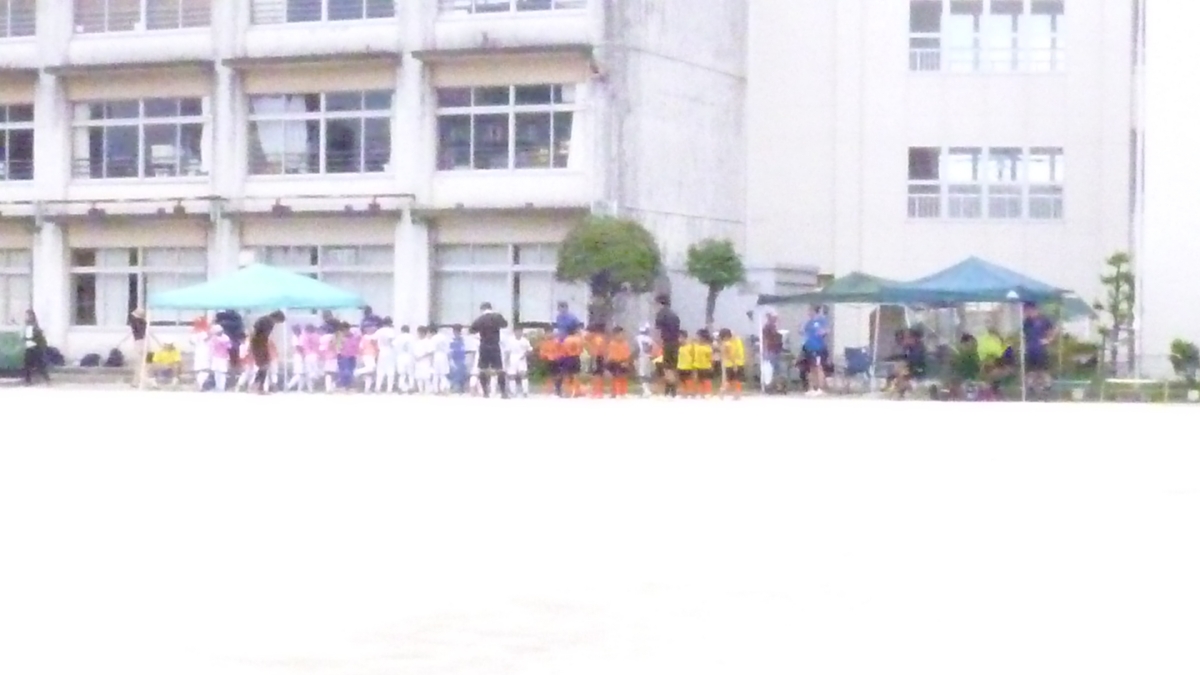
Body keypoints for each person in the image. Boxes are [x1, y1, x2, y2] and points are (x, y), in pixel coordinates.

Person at [469, 302, 509, 398]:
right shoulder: (497, 317)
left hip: (484, 345)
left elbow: (471, 330)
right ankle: (503, 392)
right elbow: (505, 324)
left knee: (483, 369)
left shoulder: (480, 319)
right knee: (499, 369)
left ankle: (485, 392)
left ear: (482, 309)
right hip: (495, 345)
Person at [1022, 302, 1057, 398]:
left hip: (1041, 350)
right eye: (1026, 311)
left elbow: (1053, 330)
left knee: (1042, 371)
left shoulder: (1043, 320)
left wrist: (1048, 340)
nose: (1028, 313)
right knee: (1030, 371)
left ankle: (1047, 388)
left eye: (1029, 310)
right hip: (1030, 350)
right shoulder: (1026, 322)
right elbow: (1024, 335)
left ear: (1034, 309)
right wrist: (1024, 345)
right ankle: (1031, 389)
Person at [250, 310, 285, 394]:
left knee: (264, 366)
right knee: (264, 365)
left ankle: (257, 386)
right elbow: (261, 334)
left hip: (258, 343)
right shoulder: (268, 321)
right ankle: (258, 387)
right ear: (277, 318)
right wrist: (262, 345)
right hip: (259, 344)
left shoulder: (263, 319)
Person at [654, 294, 682, 397]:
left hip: (667, 342)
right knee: (673, 366)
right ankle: (672, 390)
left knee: (667, 367)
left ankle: (670, 388)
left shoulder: (661, 314)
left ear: (659, 303)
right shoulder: (674, 315)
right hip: (675, 342)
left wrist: (658, 342)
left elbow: (658, 329)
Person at [800, 306, 830, 395]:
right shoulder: (809, 322)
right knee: (811, 368)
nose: (808, 313)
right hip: (809, 348)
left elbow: (827, 330)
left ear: (814, 311)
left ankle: (820, 388)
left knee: (818, 367)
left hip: (818, 348)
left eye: (810, 310)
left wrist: (823, 332)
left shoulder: (821, 320)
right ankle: (813, 387)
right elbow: (804, 332)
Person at [505, 326, 533, 397]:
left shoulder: (525, 340)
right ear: (514, 332)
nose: (519, 333)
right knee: (512, 375)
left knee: (523, 374)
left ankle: (525, 392)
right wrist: (507, 361)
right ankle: (513, 392)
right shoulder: (510, 340)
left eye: (520, 331)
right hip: (512, 358)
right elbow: (507, 351)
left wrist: (525, 355)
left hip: (521, 358)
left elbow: (529, 350)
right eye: (517, 331)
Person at [22, 309, 48, 386]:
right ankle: (28, 380)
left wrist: (40, 346)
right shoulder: (27, 326)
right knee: (27, 365)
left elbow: (38, 338)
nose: (26, 317)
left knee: (39, 365)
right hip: (29, 347)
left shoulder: (35, 327)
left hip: (35, 348)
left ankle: (46, 379)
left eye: (27, 316)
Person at [605, 327, 632, 398]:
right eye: (619, 334)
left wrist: (626, 362)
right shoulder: (612, 344)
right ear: (615, 335)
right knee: (616, 378)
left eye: (622, 334)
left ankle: (623, 392)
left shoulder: (625, 343)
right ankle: (616, 392)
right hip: (615, 362)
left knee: (623, 377)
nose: (621, 336)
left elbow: (627, 354)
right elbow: (612, 355)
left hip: (624, 362)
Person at [719, 328, 746, 399]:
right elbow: (730, 355)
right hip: (734, 363)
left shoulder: (733, 341)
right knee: (736, 380)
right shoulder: (730, 342)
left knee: (732, 380)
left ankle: (733, 393)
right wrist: (734, 364)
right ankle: (730, 392)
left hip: (734, 363)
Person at [761, 312, 784, 393]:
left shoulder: (772, 326)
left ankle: (777, 386)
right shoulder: (768, 327)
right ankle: (771, 386)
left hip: (775, 349)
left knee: (776, 368)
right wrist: (765, 350)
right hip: (771, 350)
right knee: (771, 369)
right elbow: (766, 339)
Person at [585, 324, 608, 398]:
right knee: (597, 375)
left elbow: (597, 350)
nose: (587, 333)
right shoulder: (597, 338)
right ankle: (598, 392)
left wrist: (594, 360)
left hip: (597, 358)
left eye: (588, 332)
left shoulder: (597, 339)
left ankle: (597, 392)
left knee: (597, 376)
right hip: (598, 357)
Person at [538, 330, 564, 396]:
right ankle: (555, 388)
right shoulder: (544, 343)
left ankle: (558, 388)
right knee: (553, 375)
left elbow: (562, 350)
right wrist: (547, 356)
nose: (549, 335)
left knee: (559, 374)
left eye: (550, 333)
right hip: (549, 360)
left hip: (557, 360)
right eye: (547, 333)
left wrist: (559, 357)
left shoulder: (557, 342)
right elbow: (542, 353)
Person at [374, 318, 397, 393]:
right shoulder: (390, 331)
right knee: (390, 370)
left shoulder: (379, 331)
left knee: (380, 370)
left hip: (381, 351)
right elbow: (391, 341)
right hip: (389, 351)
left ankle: (377, 388)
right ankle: (389, 389)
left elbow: (373, 339)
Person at [561, 326, 585, 397]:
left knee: (567, 375)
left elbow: (563, 351)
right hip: (576, 358)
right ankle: (576, 392)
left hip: (568, 358)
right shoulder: (578, 340)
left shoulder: (566, 340)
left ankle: (567, 392)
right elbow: (581, 350)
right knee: (576, 375)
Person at [635, 325, 657, 397]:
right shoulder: (650, 339)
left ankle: (646, 390)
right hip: (648, 357)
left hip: (641, 357)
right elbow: (651, 349)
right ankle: (647, 390)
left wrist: (634, 357)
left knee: (641, 375)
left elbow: (637, 348)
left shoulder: (637, 338)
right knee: (647, 375)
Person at [190, 316, 211, 391]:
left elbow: (191, 342)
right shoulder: (205, 332)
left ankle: (200, 385)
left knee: (199, 369)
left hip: (197, 352)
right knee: (205, 369)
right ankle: (201, 385)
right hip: (205, 351)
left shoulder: (194, 332)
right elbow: (206, 339)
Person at [209, 324, 232, 391]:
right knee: (216, 373)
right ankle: (217, 387)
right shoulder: (214, 338)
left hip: (223, 358)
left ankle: (221, 387)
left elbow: (229, 347)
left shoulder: (225, 338)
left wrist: (222, 343)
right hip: (215, 357)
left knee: (222, 373)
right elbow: (211, 347)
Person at [128, 308, 148, 387]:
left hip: (139, 343)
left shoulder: (136, 323)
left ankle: (138, 381)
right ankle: (138, 381)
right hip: (143, 342)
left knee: (139, 364)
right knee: (142, 364)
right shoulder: (144, 323)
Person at [693, 329, 715, 397]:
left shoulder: (708, 347)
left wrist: (712, 366)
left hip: (706, 367)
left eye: (698, 336)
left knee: (706, 381)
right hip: (697, 367)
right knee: (699, 381)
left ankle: (708, 393)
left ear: (703, 338)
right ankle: (701, 394)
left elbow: (711, 359)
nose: (697, 338)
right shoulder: (696, 346)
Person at [413, 326, 435, 394]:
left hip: (425, 362)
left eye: (419, 333)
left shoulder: (428, 342)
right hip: (418, 362)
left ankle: (427, 392)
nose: (418, 334)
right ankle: (421, 391)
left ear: (422, 333)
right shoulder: (417, 342)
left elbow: (430, 352)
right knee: (419, 378)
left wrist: (421, 357)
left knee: (426, 378)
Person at [395, 325, 414, 394]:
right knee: (410, 374)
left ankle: (401, 388)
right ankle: (411, 387)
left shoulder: (399, 337)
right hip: (410, 356)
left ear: (402, 330)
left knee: (402, 374)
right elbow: (414, 347)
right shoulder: (412, 337)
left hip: (401, 357)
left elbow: (394, 345)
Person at [676, 330, 695, 397]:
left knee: (688, 381)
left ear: (685, 338)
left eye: (681, 337)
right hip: (680, 367)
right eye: (678, 338)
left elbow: (693, 357)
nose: (679, 339)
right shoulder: (679, 348)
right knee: (681, 381)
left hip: (688, 367)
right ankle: (683, 394)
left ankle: (690, 393)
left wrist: (693, 367)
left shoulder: (690, 347)